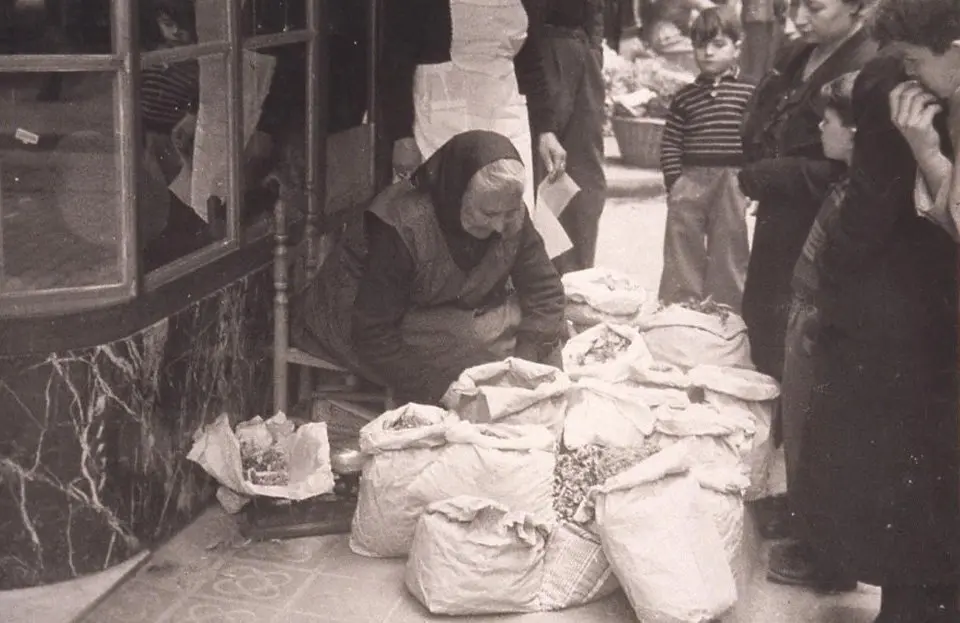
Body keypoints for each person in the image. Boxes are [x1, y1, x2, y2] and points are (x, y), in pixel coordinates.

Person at [792, 2, 960, 620]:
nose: (911, 69)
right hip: (934, 302)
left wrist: (834, 277)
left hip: (902, 306)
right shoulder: (922, 78)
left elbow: (873, 199)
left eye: (918, 58)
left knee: (901, 469)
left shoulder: (892, 78)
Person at [292, 131, 567, 406]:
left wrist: (524, 363)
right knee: (479, 341)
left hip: (430, 307)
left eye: (507, 213)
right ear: (457, 194)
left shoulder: (509, 210)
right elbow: (372, 332)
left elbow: (545, 289)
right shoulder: (403, 224)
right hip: (357, 316)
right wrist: (439, 390)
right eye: (487, 214)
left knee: (539, 339)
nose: (499, 226)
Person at [767, 71, 859, 592]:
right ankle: (810, 533)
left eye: (831, 119)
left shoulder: (862, 195)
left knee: (816, 436)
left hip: (819, 328)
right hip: (807, 318)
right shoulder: (846, 181)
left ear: (856, 132)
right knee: (802, 434)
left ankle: (824, 554)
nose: (821, 125)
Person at [380, 0, 567, 216]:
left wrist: (546, 130)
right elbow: (395, 60)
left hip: (507, 115)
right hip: (440, 120)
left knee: (508, 216)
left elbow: (531, 62)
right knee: (446, 219)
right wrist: (401, 134)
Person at [657, 7, 754, 312]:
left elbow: (758, 139)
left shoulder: (750, 92)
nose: (708, 52)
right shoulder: (685, 97)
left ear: (737, 47)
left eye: (718, 44)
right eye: (701, 45)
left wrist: (750, 182)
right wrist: (675, 182)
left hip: (732, 179)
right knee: (682, 242)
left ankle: (725, 310)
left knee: (729, 245)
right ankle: (681, 308)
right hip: (691, 178)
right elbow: (671, 141)